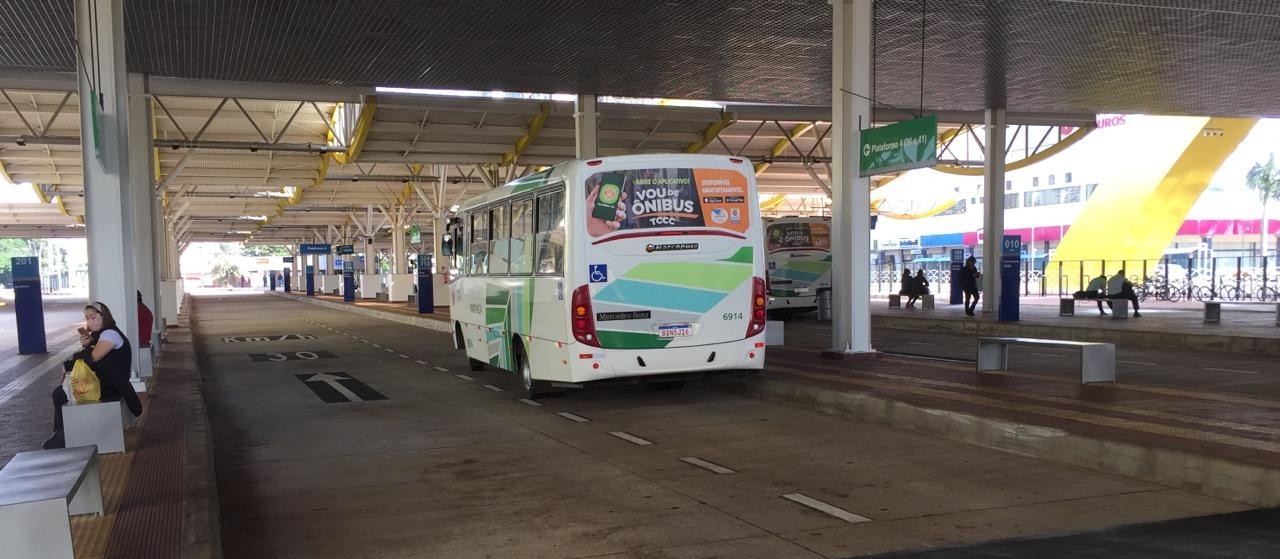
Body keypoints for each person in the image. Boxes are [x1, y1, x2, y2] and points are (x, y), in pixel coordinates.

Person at [43, 302, 143, 449]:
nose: (91, 321)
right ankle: (62, 433)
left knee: (60, 394)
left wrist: (67, 365)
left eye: (94, 317)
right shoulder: (100, 335)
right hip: (108, 382)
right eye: (88, 318)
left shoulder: (110, 334)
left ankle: (63, 435)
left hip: (112, 386)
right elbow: (92, 359)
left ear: (104, 317)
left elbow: (93, 358)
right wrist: (86, 345)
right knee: (60, 392)